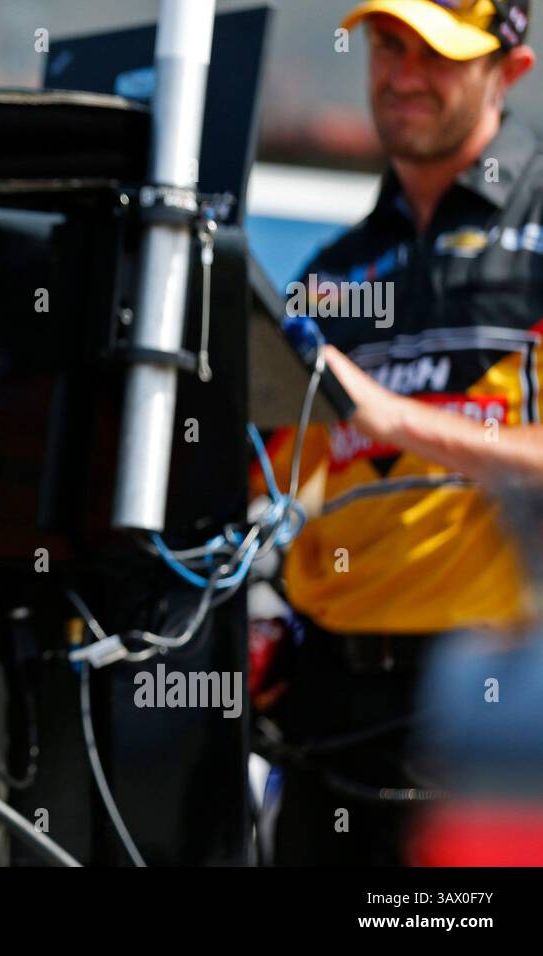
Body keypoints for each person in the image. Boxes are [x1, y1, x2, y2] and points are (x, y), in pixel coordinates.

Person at [259, 0, 541, 865]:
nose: (404, 75)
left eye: (437, 53)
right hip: (327, 720)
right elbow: (252, 484)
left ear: (510, 69)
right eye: (389, 46)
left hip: (491, 712)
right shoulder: (331, 270)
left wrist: (392, 417)